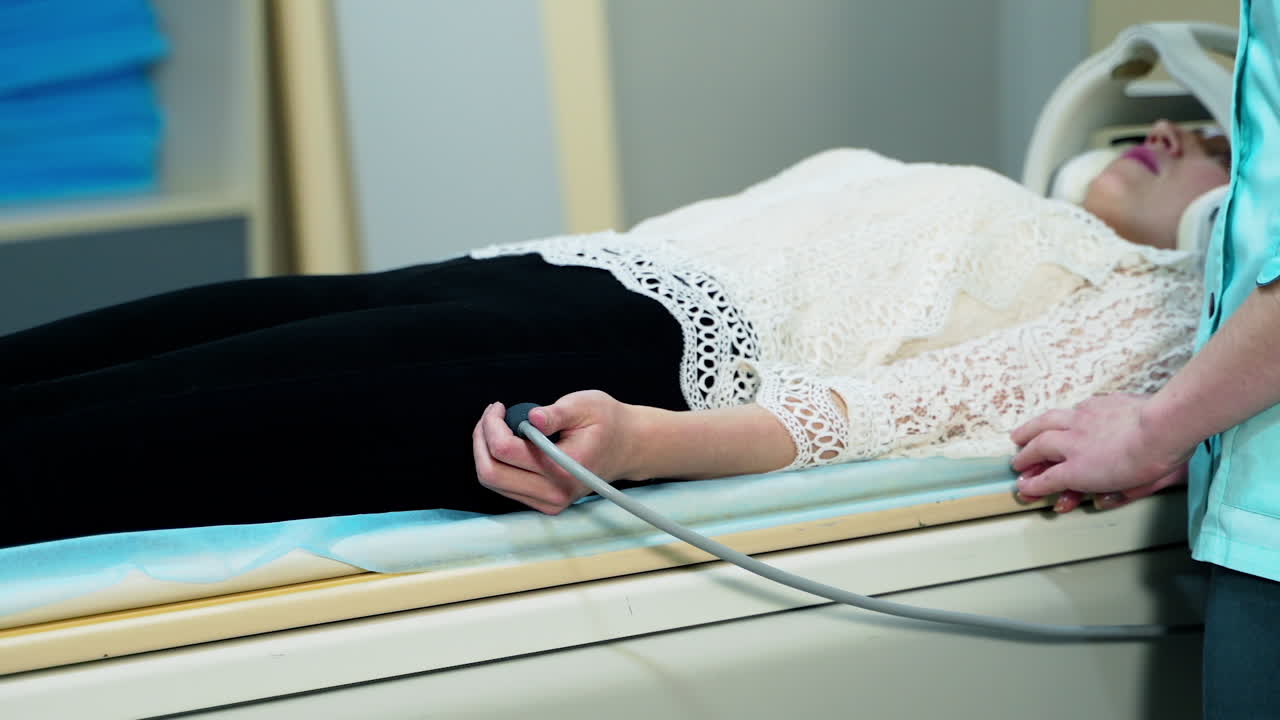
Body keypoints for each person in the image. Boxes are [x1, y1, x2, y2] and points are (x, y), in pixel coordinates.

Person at [1, 122, 1227, 550]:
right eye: (1173, 117)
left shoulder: (1156, 303)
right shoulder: (1002, 197)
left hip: (612, 363)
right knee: (70, 355)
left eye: (1215, 146)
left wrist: (646, 441)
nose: (1169, 129)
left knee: (97, 442)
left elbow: (889, 412)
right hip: (520, 273)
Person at [1011, 5, 1280, 718]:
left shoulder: (1138, 316)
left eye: (1226, 149)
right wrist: (1199, 427)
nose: (1167, 133)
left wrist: (1153, 431)